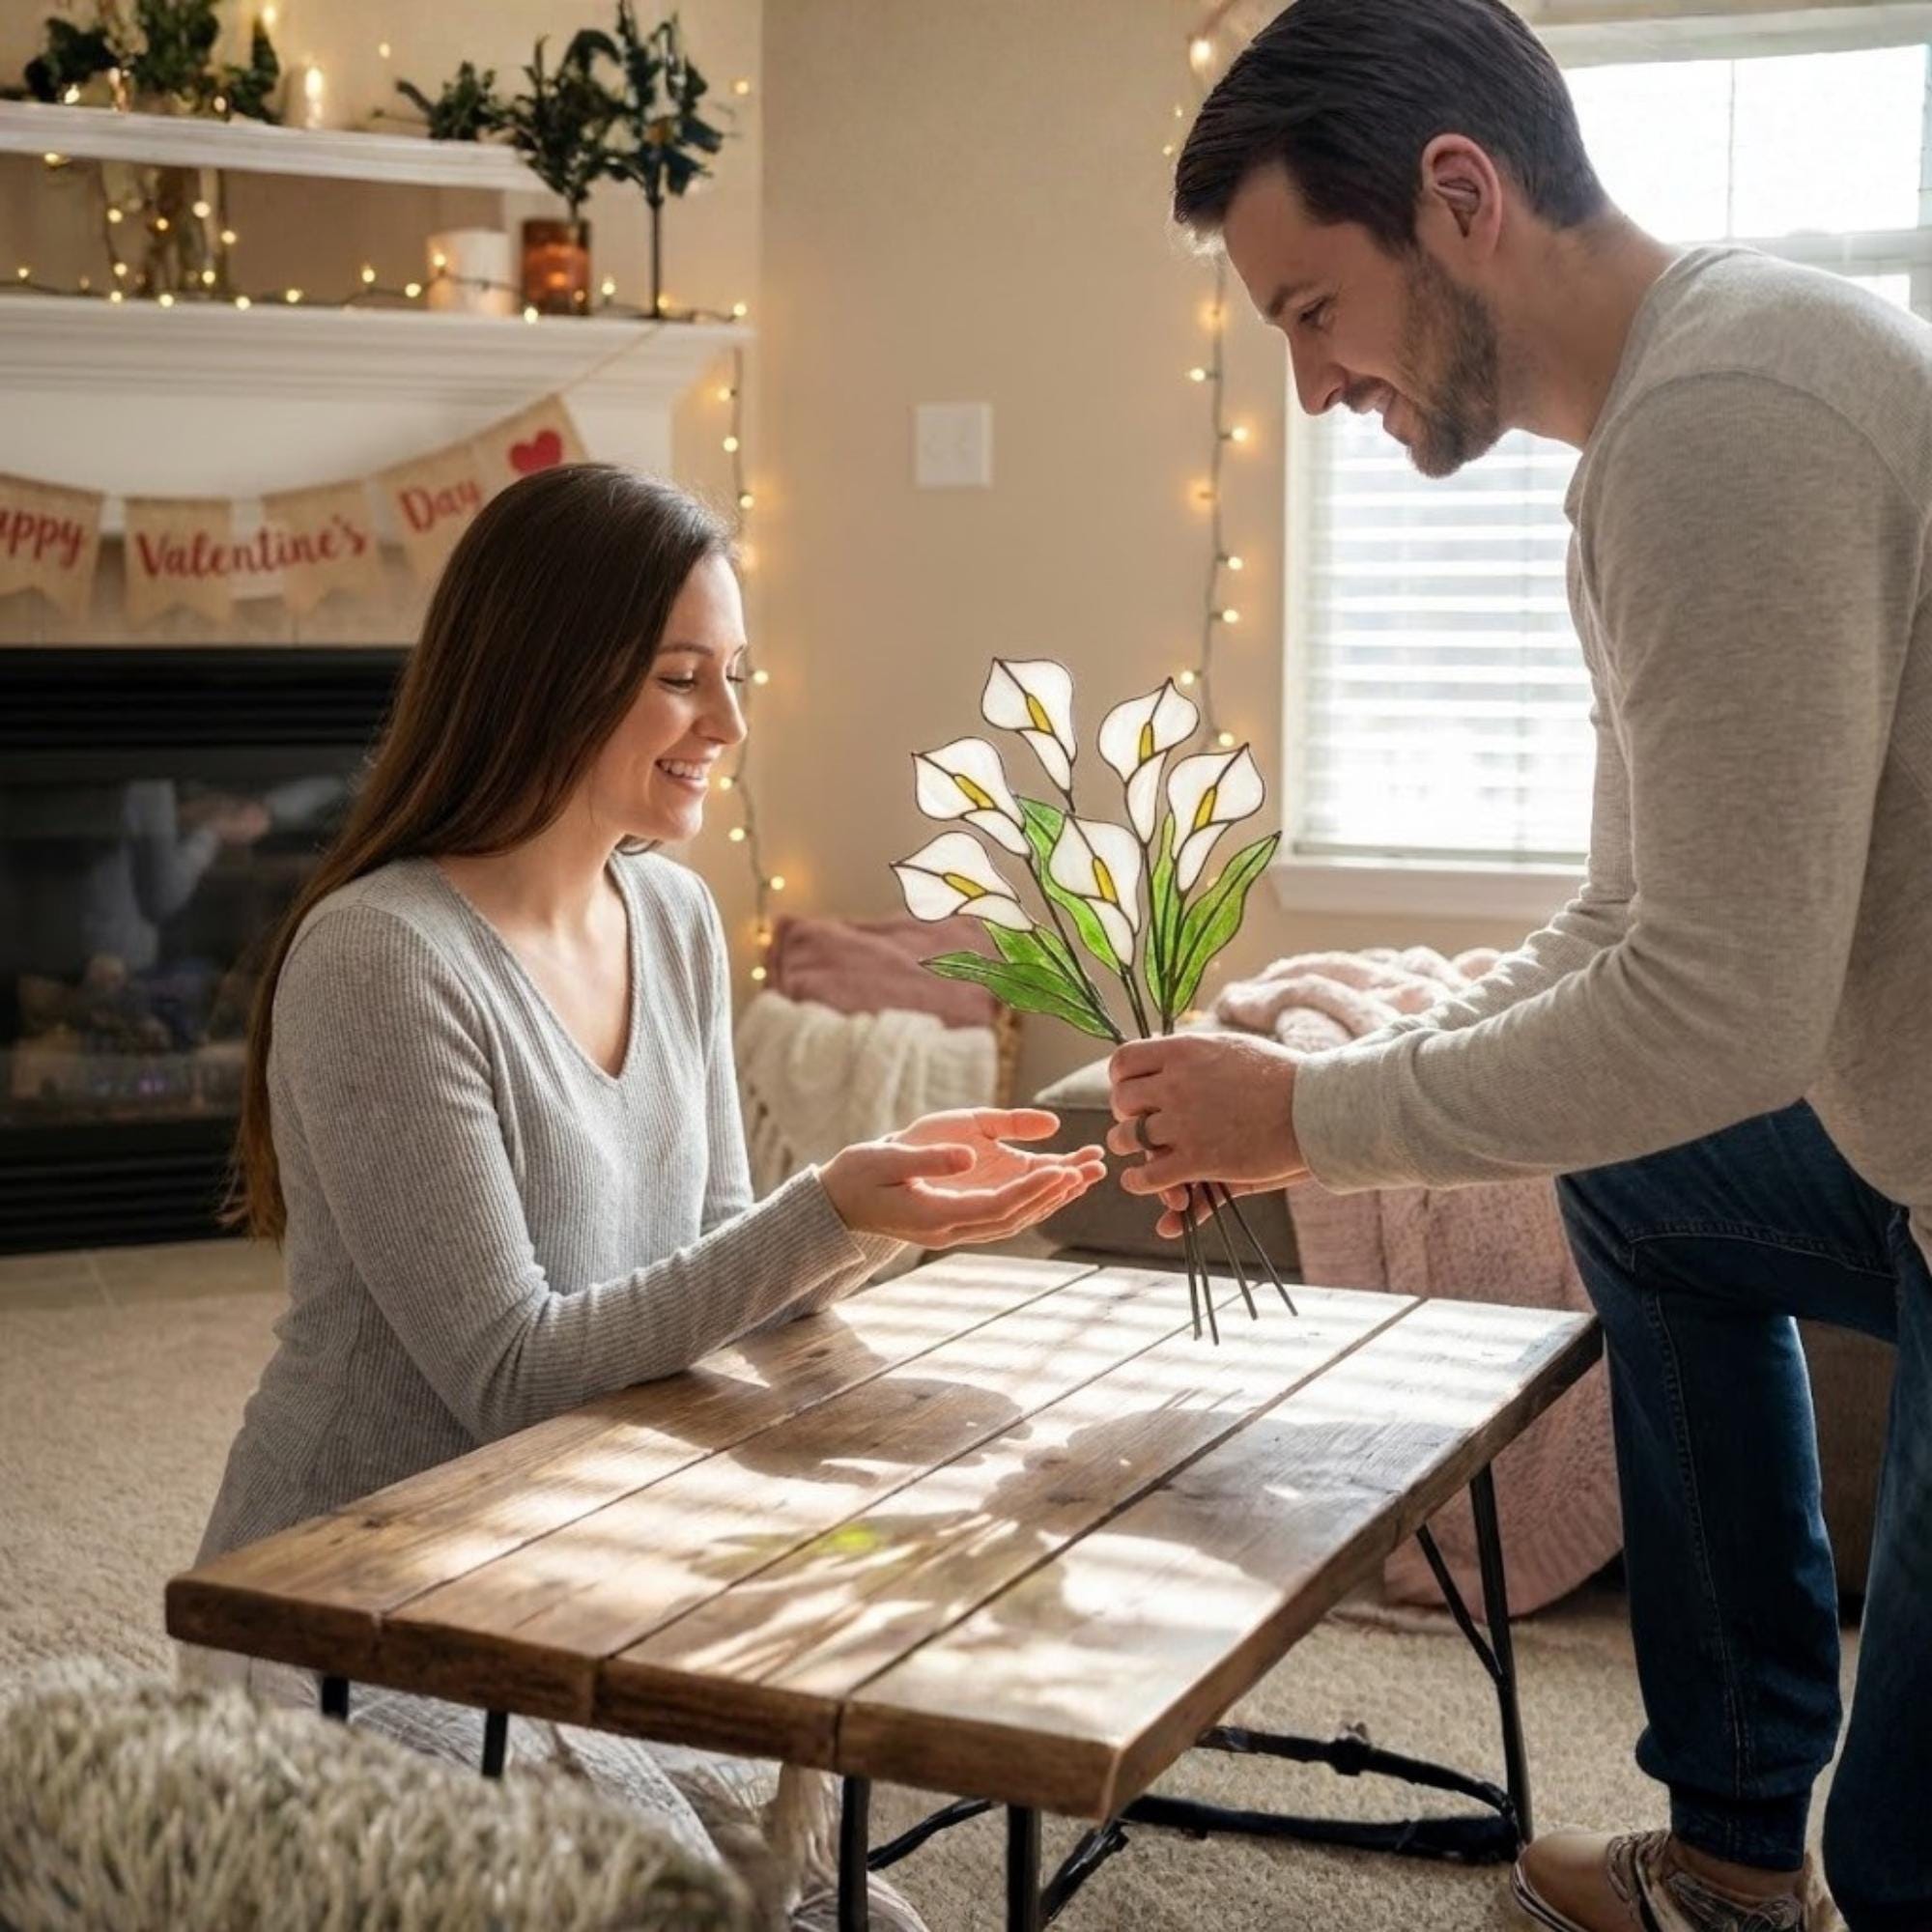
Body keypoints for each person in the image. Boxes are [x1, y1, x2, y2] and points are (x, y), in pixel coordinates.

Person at [1106, 5, 1932, 1929]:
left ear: (1457, 200)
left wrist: (1308, 1117)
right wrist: (1323, 1093)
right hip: (1903, 1150)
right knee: (1639, 1183)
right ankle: (1731, 1854)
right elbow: (1623, 928)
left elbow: (1716, 1013)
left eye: (1312, 309)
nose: (1309, 388)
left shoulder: (1727, 430)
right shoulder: (1664, 426)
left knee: (1903, 1872)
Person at [188, 462, 1105, 1925]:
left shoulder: (671, 916)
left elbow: (709, 1271)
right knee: (707, 1907)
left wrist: (891, 1311)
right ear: (545, 675)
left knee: (860, 1913)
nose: (730, 728)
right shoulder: (383, 958)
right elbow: (511, 1373)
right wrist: (835, 1213)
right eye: (684, 679)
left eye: (735, 676)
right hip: (350, 1611)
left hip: (567, 1576)